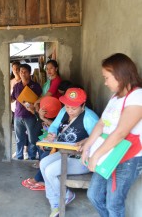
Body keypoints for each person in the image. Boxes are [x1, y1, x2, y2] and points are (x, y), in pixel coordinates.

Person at [81, 53, 142, 217]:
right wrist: (87, 147)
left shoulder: (137, 96)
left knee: (114, 204)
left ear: (120, 75)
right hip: (108, 153)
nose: (105, 82)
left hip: (127, 157)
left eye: (107, 77)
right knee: (93, 195)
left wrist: (96, 156)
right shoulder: (115, 97)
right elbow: (102, 123)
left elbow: (121, 132)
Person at [40, 88, 99, 217]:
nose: (70, 111)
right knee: (43, 163)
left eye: (74, 108)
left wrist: (87, 140)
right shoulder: (63, 111)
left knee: (50, 171)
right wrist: (52, 134)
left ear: (83, 105)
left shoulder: (90, 117)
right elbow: (54, 126)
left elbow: (99, 139)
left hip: (81, 159)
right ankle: (54, 202)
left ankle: (66, 195)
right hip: (64, 153)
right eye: (67, 106)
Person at [11, 63, 42, 160]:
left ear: (30, 73)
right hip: (18, 116)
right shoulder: (16, 86)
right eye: (21, 72)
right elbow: (12, 99)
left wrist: (34, 105)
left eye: (25, 72)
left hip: (30, 116)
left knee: (32, 138)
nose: (23, 74)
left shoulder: (35, 86)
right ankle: (19, 156)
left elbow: (40, 100)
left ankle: (32, 156)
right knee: (19, 138)